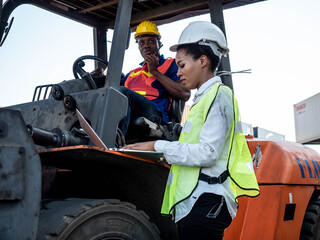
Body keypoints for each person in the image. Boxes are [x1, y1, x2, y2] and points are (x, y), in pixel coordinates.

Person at [123, 21, 259, 240]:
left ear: (203, 61)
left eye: (182, 65)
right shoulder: (203, 99)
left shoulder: (219, 95)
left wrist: (156, 145)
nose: (179, 72)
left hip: (207, 202)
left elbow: (207, 153)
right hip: (195, 203)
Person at [119, 20, 190, 136]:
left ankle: (113, 144)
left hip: (155, 115)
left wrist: (154, 71)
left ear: (159, 43)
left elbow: (185, 93)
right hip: (131, 112)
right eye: (142, 42)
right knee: (110, 94)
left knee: (122, 93)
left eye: (151, 41)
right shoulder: (132, 74)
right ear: (138, 47)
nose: (146, 45)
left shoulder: (171, 64)